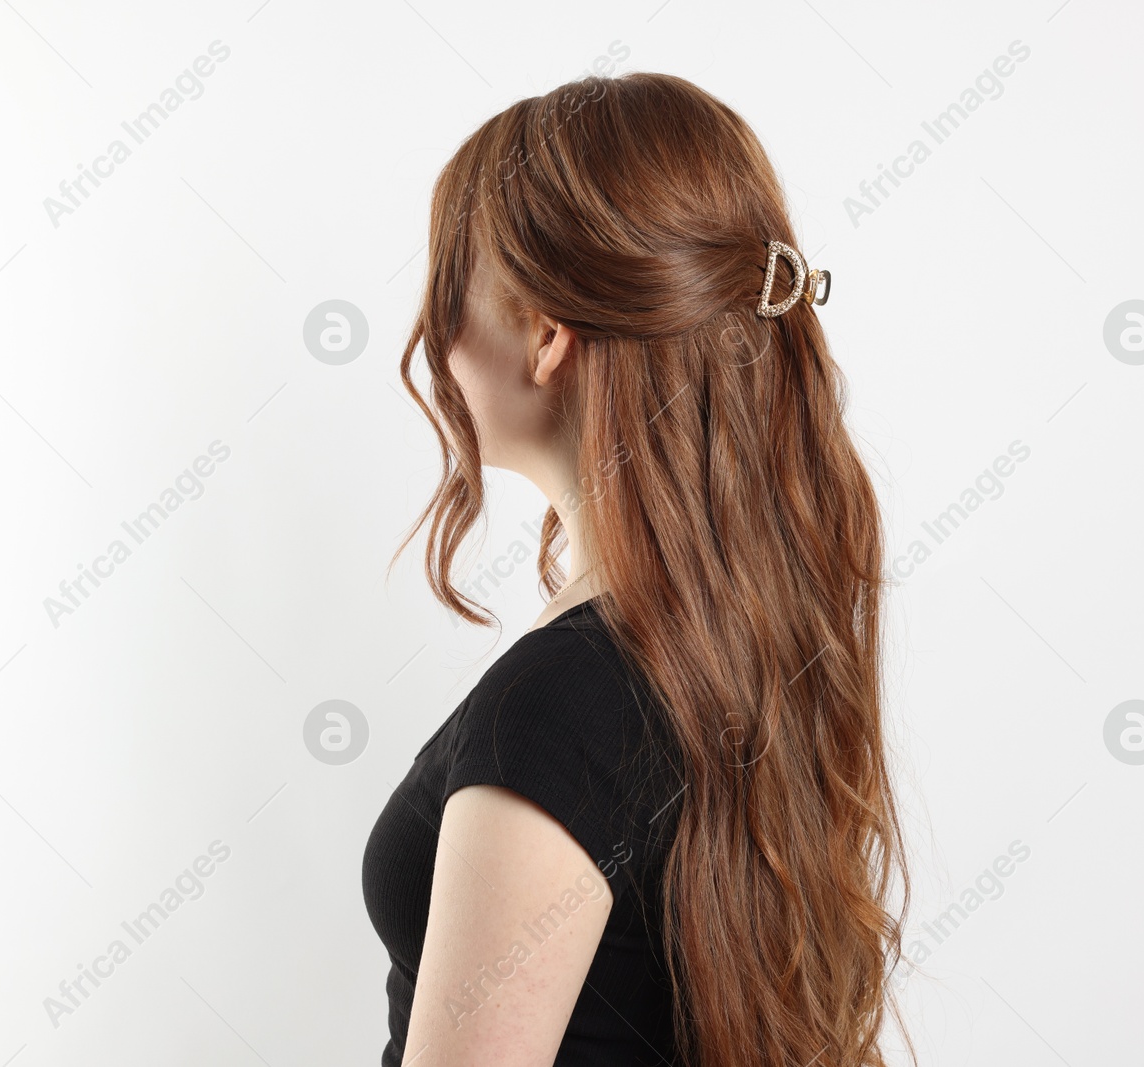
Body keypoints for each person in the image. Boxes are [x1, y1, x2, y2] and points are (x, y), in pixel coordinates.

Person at [363, 71, 910, 1067]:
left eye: (450, 291)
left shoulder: (556, 706)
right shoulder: (741, 643)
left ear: (543, 335)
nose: (432, 341)